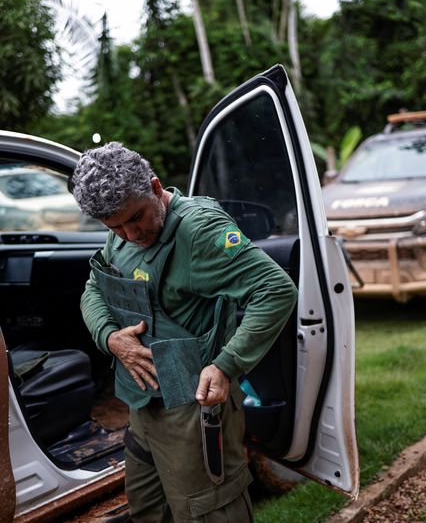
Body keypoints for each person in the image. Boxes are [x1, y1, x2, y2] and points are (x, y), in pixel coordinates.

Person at [73, 142, 297, 522]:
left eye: (137, 217)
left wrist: (226, 365)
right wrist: (111, 337)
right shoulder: (122, 230)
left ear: (156, 187)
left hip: (195, 409)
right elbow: (94, 287)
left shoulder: (199, 232)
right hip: (143, 406)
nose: (131, 234)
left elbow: (275, 290)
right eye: (116, 227)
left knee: (208, 511)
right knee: (149, 510)